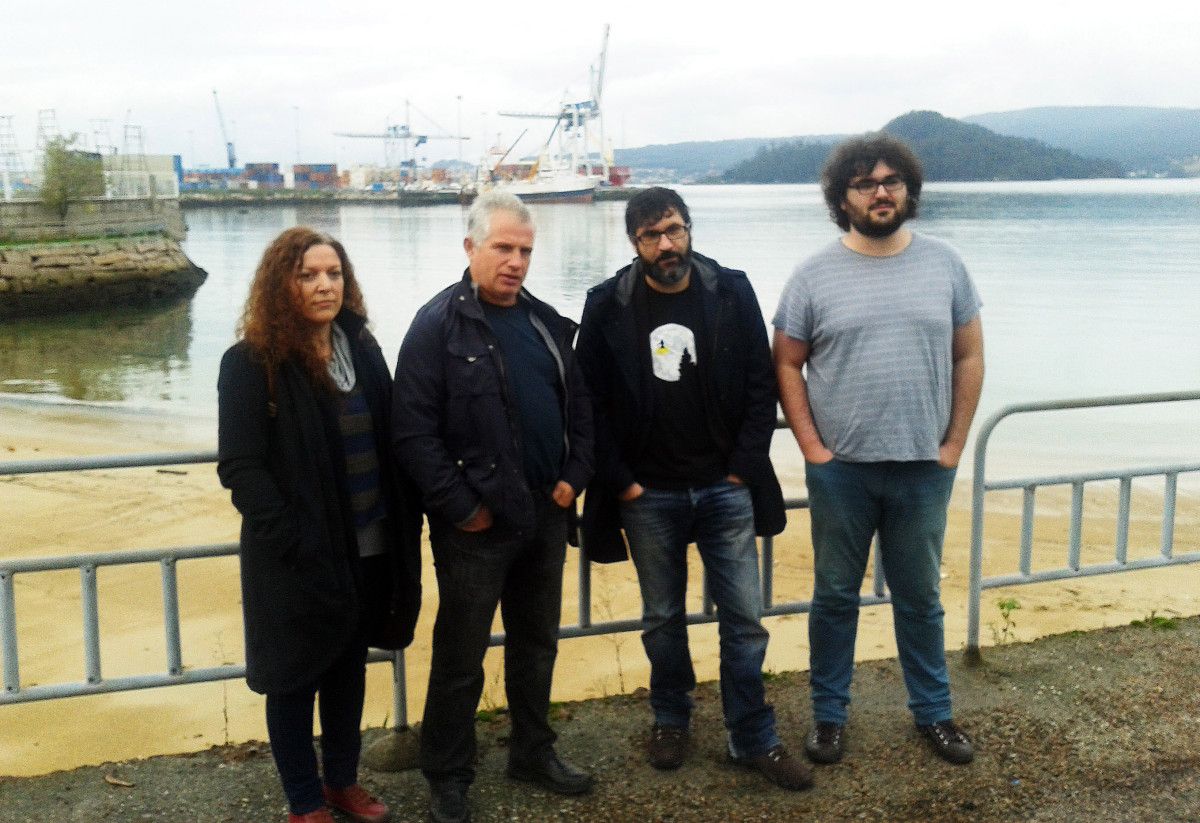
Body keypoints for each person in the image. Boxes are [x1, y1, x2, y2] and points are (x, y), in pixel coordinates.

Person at [577, 187, 811, 791]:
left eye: (675, 230)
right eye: (652, 235)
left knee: (744, 617)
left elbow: (763, 384)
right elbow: (588, 404)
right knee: (661, 618)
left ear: (689, 231)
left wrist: (740, 465)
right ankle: (670, 717)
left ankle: (752, 735)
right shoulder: (606, 305)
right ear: (634, 243)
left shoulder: (729, 290)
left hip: (724, 487)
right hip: (645, 494)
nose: (666, 245)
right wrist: (621, 481)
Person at [773, 135, 985, 766]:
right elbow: (786, 361)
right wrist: (812, 446)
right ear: (843, 197)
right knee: (835, 596)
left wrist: (954, 443)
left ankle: (935, 714)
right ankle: (829, 718)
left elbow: (969, 355)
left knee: (920, 597)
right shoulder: (813, 274)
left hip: (925, 467)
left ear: (909, 190)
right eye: (865, 183)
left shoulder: (945, 264)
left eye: (892, 181)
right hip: (843, 472)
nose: (881, 191)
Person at [392, 191, 595, 823]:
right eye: (502, 248)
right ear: (471, 247)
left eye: (525, 251)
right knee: (461, 656)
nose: (515, 262)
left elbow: (580, 414)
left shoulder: (544, 321)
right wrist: (461, 508)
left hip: (545, 512)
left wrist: (573, 477)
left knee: (537, 644)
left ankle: (533, 751)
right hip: (476, 527)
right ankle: (448, 774)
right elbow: (412, 433)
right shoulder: (436, 326)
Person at [217, 227, 423, 823]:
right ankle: (304, 802)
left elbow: (390, 437)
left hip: (369, 547)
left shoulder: (360, 347)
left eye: (333, 273)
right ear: (281, 284)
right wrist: (293, 539)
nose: (324, 284)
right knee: (292, 680)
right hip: (295, 559)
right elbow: (241, 467)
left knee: (345, 671)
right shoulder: (251, 363)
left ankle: (341, 783)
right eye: (307, 274)